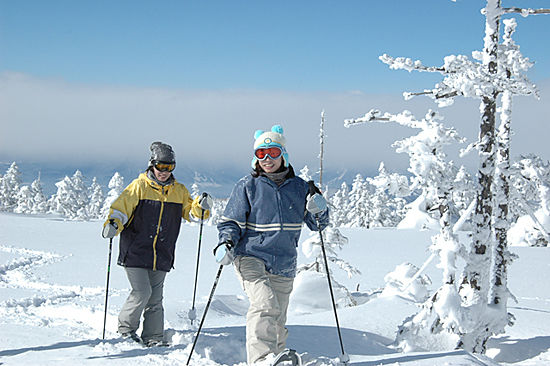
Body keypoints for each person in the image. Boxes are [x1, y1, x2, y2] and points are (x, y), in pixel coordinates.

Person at [214, 125, 329, 364]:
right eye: (261, 153)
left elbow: (317, 224)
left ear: (283, 155)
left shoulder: (299, 188)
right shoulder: (248, 186)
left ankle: (278, 357)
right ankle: (261, 359)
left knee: (277, 317)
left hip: (284, 262)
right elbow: (231, 222)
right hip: (250, 256)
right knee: (264, 304)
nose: (267, 159)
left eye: (273, 153)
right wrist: (226, 242)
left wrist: (320, 209)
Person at [102, 141, 212, 347]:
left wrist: (201, 207)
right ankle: (126, 331)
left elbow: (190, 212)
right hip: (135, 250)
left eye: (169, 167)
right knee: (142, 291)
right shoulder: (139, 186)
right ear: (152, 165)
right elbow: (120, 210)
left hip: (161, 252)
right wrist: (113, 224)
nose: (164, 171)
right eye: (161, 166)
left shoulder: (178, 190)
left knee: (155, 298)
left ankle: (153, 337)